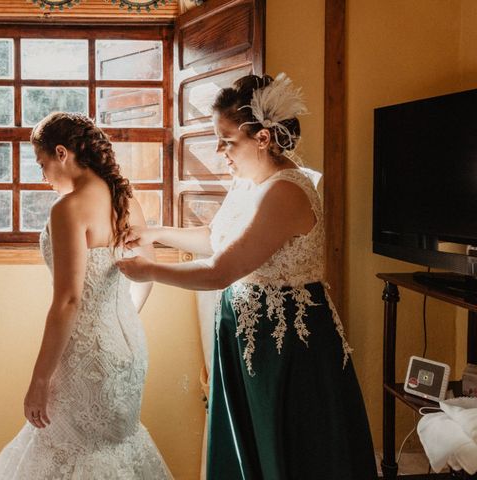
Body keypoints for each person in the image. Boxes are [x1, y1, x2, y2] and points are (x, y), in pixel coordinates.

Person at [117, 73, 376, 479]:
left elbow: (222, 269)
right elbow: (215, 239)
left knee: (288, 446)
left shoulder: (285, 192)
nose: (220, 150)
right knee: (251, 443)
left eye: (227, 139)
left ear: (263, 138)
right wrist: (156, 232)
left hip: (287, 340)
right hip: (246, 331)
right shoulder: (247, 182)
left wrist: (150, 269)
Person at [0, 112, 172, 479]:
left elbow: (69, 301)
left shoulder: (68, 208)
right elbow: (146, 274)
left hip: (88, 357)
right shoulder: (125, 199)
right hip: (128, 349)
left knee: (70, 448)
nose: (42, 175)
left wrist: (38, 381)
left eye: (42, 163)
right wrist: (119, 319)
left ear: (63, 153)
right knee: (114, 448)